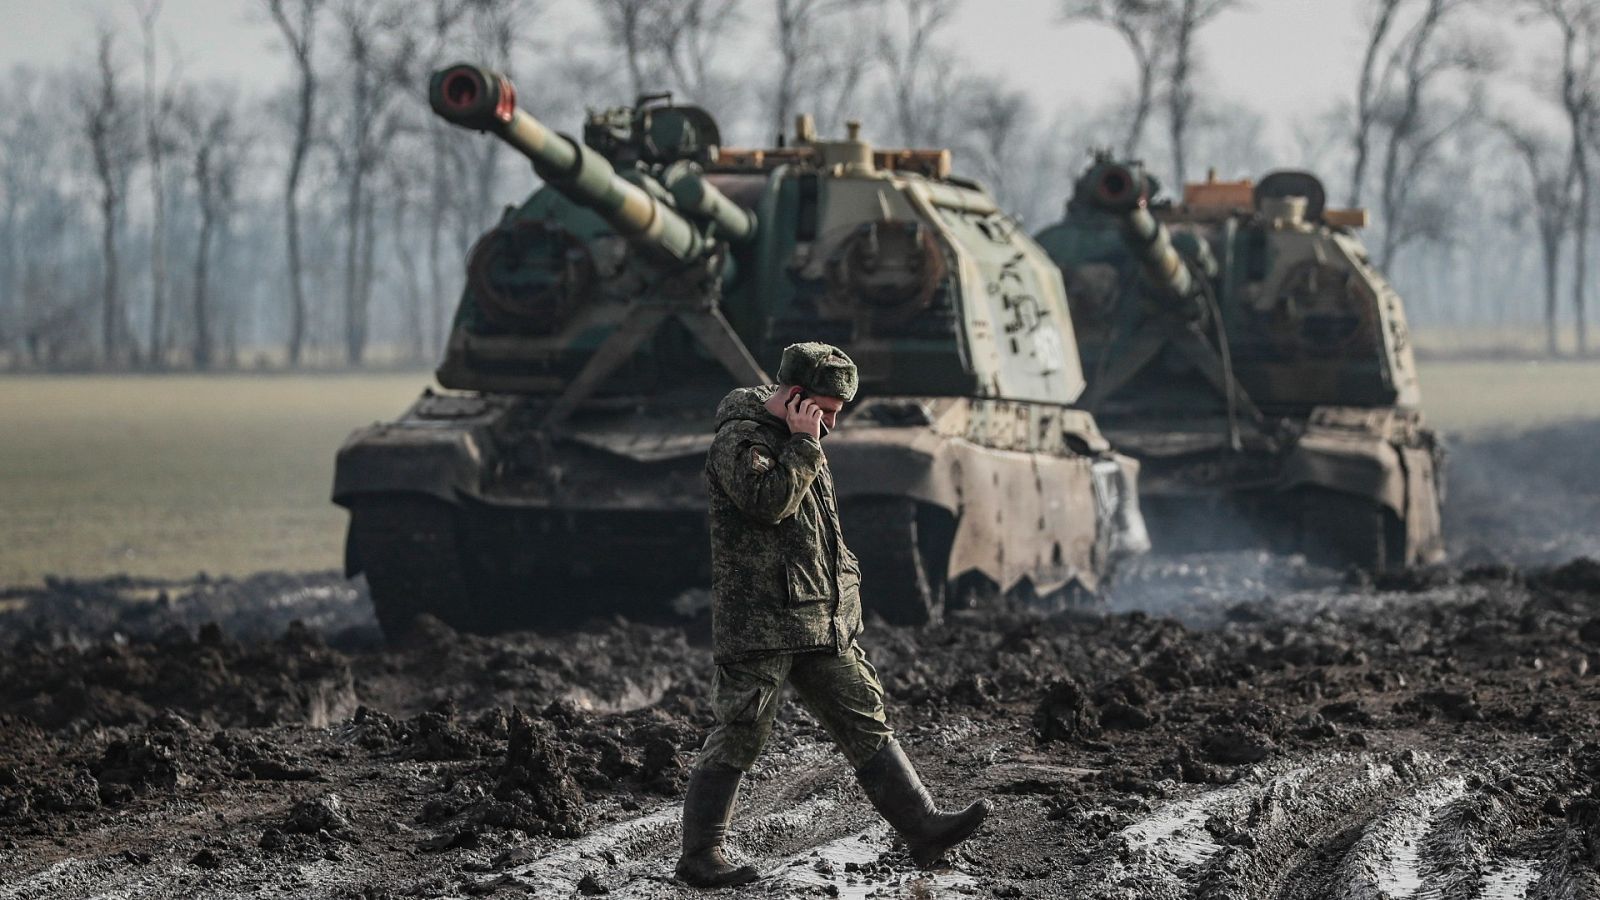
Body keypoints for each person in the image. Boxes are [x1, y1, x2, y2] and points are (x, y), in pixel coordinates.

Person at [675, 341, 991, 888]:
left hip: (818, 618)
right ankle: (700, 854)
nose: (832, 424)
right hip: (765, 621)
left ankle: (921, 826)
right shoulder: (742, 440)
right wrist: (801, 444)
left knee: (862, 716)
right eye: (826, 409)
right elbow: (767, 503)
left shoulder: (803, 439)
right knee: (743, 729)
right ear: (796, 398)